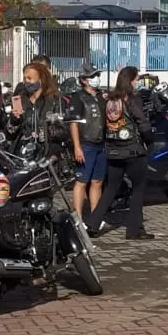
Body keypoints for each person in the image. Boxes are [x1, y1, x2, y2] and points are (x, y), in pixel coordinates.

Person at [86, 66, 155, 241]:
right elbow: (142, 123)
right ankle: (135, 229)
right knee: (138, 189)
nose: (138, 83)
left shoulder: (110, 100)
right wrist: (149, 141)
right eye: (136, 79)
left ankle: (93, 224)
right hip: (133, 150)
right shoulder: (132, 100)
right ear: (130, 81)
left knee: (110, 189)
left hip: (113, 150)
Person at [69, 61, 106, 219]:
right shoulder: (78, 97)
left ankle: (95, 216)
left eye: (97, 75)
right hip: (86, 144)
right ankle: (78, 216)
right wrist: (77, 147)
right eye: (93, 76)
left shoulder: (101, 96)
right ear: (84, 79)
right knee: (82, 181)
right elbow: (73, 123)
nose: (97, 78)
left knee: (97, 181)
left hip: (101, 144)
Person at [8, 60, 64, 152]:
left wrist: (45, 132)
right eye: (24, 78)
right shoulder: (19, 99)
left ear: (41, 79)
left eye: (29, 78)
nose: (26, 81)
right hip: (23, 151)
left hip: (47, 152)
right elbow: (10, 134)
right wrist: (14, 120)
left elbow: (63, 132)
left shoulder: (54, 100)